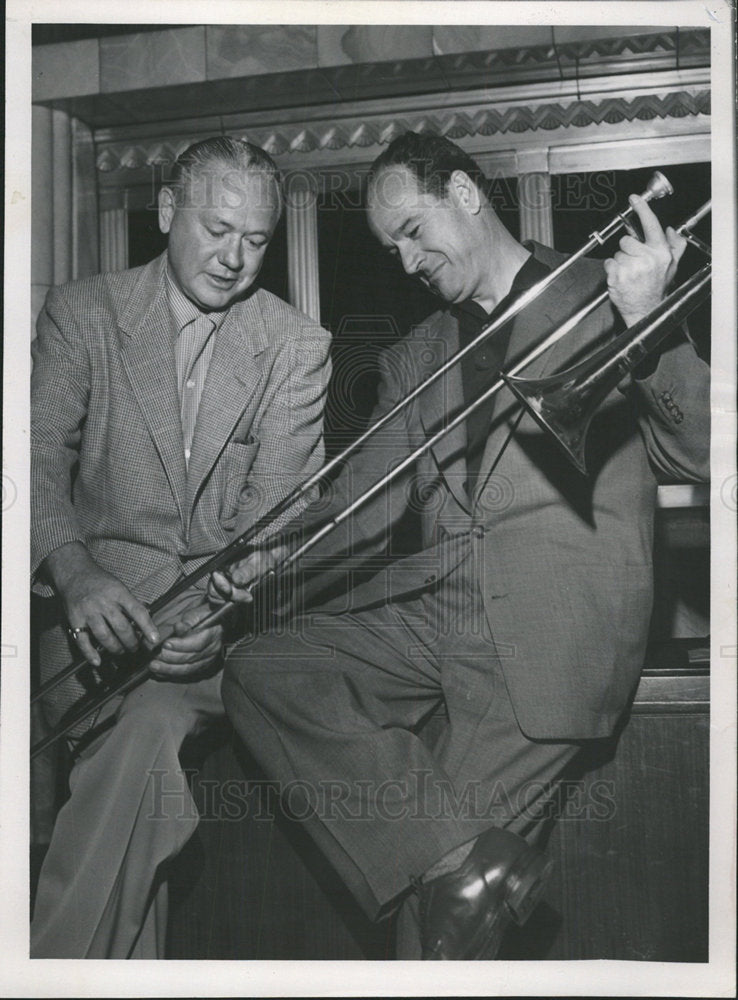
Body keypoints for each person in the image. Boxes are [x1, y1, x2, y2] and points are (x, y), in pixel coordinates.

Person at [215, 132, 710, 959]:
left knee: (433, 934)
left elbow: (698, 453)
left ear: (467, 195)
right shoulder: (416, 352)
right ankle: (460, 859)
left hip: (553, 630)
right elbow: (357, 507)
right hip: (436, 613)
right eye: (389, 247)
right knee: (262, 669)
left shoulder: (605, 289)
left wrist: (651, 325)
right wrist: (264, 556)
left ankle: (455, 876)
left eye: (414, 230)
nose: (406, 262)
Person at [30, 136, 332, 958]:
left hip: (219, 654)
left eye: (258, 240)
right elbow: (27, 464)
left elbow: (282, 513)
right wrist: (76, 571)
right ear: (167, 213)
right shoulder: (81, 313)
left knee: (146, 732)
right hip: (85, 653)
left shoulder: (296, 346)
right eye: (217, 228)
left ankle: (47, 966)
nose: (235, 258)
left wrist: (218, 618)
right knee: (133, 821)